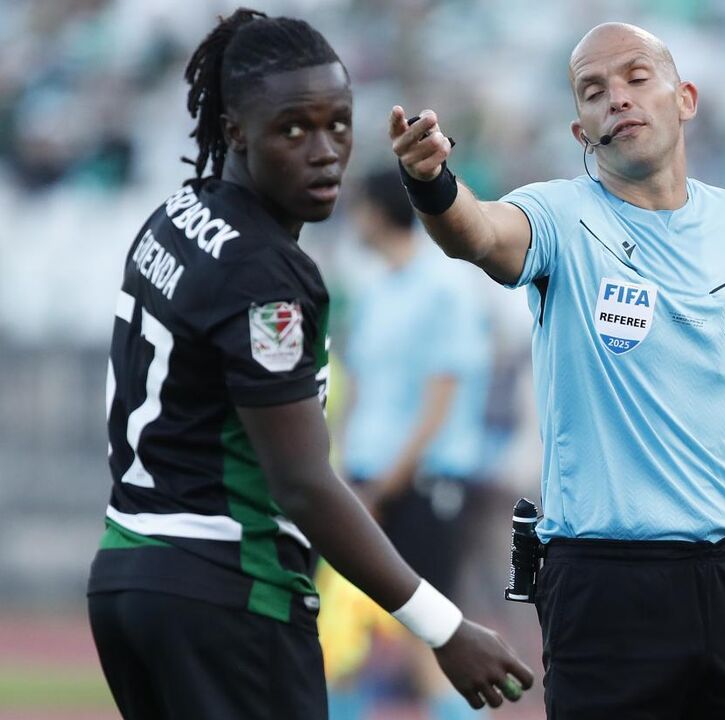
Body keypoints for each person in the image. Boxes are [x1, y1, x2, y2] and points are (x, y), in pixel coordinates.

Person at [388, 21, 725, 720]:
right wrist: (433, 183)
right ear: (579, 130)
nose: (616, 97)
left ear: (685, 98)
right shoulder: (560, 215)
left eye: (635, 77)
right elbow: (480, 234)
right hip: (601, 584)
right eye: (593, 91)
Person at [86, 10, 532, 719]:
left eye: (339, 124)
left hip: (129, 572)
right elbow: (299, 482)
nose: (325, 151)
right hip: (230, 585)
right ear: (235, 130)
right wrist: (444, 626)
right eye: (294, 129)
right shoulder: (266, 271)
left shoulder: (177, 213)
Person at [340, 168, 496, 719]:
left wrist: (387, 482)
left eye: (358, 208)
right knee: (347, 636)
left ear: (378, 213)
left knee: (430, 634)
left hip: (421, 483)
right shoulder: (375, 290)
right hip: (366, 479)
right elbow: (360, 390)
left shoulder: (444, 286)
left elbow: (442, 396)